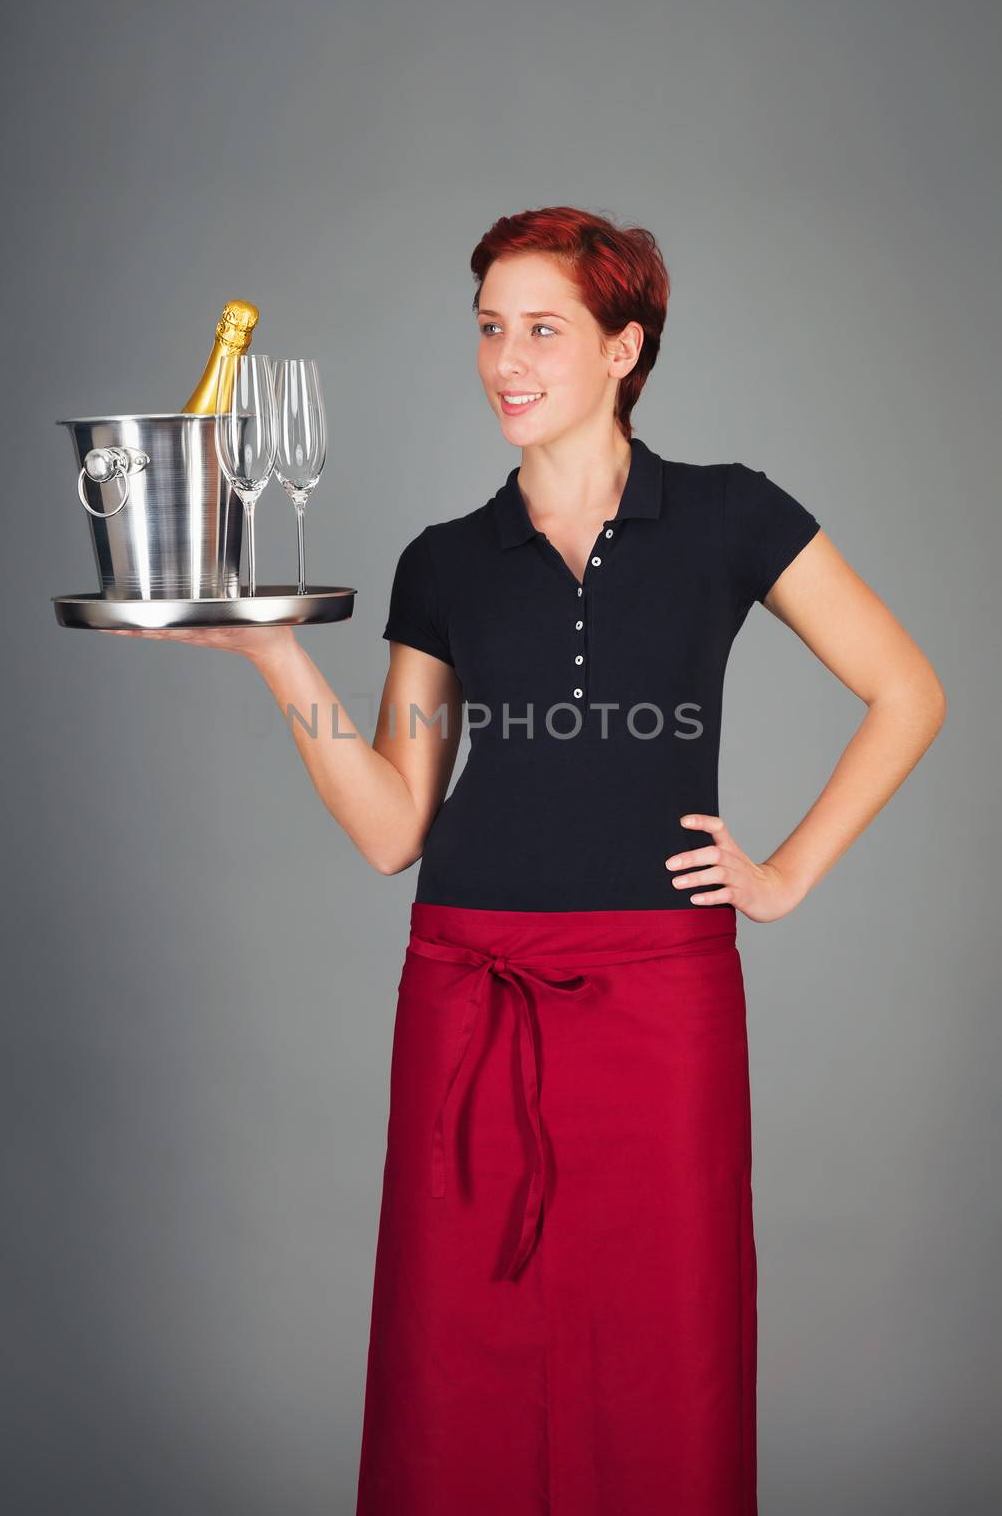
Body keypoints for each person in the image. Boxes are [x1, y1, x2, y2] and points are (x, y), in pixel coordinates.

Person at [100, 206, 947, 1513]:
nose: (507, 358)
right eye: (490, 328)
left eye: (543, 329)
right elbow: (393, 824)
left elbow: (908, 692)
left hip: (661, 993)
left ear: (625, 346)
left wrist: (784, 875)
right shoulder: (443, 561)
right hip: (466, 981)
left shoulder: (730, 516)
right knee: (460, 1355)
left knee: (668, 1341)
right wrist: (279, 657)